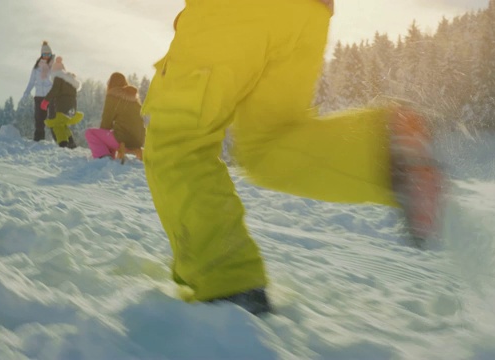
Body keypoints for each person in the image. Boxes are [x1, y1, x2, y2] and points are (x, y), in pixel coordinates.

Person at [140, 0, 443, 315]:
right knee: (270, 143)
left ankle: (227, 285)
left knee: (179, 143)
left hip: (231, 12)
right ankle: (386, 149)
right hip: (308, 14)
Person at [84, 72, 145, 159]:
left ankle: (103, 157)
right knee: (112, 133)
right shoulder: (135, 99)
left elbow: (106, 122)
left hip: (123, 140)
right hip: (139, 141)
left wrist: (103, 140)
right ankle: (107, 154)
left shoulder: (113, 95)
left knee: (90, 133)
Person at [42, 56, 82, 148]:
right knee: (63, 125)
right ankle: (71, 143)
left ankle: (63, 144)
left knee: (57, 126)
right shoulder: (71, 81)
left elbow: (54, 90)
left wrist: (46, 100)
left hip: (62, 106)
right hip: (72, 108)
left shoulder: (58, 77)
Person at [23, 41, 56, 141]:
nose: (46, 56)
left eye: (48, 54)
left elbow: (58, 81)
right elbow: (31, 82)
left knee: (53, 119)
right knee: (39, 119)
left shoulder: (54, 66)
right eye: (44, 54)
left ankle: (59, 141)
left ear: (51, 54)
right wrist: (26, 93)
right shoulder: (36, 67)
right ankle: (38, 141)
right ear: (41, 55)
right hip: (39, 97)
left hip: (51, 97)